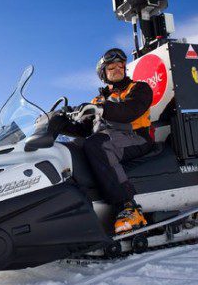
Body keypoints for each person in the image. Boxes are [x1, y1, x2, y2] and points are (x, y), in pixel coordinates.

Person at [58, 48, 153, 234]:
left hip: (137, 137)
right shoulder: (99, 100)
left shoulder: (139, 88)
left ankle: (128, 207)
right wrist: (60, 123)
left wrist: (100, 108)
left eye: (121, 65)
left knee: (99, 144)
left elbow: (129, 111)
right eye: (111, 67)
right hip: (110, 137)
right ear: (103, 73)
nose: (117, 69)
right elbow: (84, 129)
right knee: (75, 147)